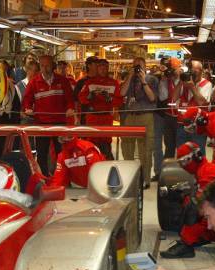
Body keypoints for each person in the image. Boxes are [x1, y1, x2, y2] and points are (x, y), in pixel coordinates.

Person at [160, 141, 215, 259]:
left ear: (192, 159)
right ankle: (196, 238)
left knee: (193, 207)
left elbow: (200, 208)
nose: (183, 167)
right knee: (193, 202)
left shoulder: (207, 172)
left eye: (183, 162)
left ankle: (186, 244)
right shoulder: (208, 168)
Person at [22, 55, 75, 176]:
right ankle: (43, 178)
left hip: (60, 123)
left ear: (53, 66)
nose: (45, 68)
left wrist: (70, 108)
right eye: (42, 66)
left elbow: (70, 98)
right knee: (42, 153)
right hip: (42, 124)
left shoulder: (62, 81)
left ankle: (62, 177)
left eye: (47, 65)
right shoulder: (34, 82)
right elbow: (27, 99)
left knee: (61, 152)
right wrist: (28, 108)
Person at [120, 57, 158, 189]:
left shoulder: (152, 79)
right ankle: (130, 178)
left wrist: (143, 81)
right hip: (130, 116)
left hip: (146, 116)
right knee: (127, 148)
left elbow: (152, 98)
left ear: (145, 66)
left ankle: (146, 179)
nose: (137, 69)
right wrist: (130, 76)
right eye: (134, 66)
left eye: (139, 66)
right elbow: (122, 92)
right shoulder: (129, 79)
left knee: (146, 150)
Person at [78, 58, 123, 160]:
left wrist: (110, 98)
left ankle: (107, 166)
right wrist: (90, 96)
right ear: (97, 69)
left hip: (106, 117)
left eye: (105, 67)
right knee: (91, 145)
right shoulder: (89, 82)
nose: (103, 70)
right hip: (92, 117)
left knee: (106, 144)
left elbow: (119, 101)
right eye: (101, 67)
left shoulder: (113, 83)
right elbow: (81, 98)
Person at [155, 57, 185, 178]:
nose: (171, 72)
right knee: (169, 147)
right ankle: (167, 175)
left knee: (181, 147)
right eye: (169, 69)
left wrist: (181, 77)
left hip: (181, 118)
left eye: (173, 69)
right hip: (168, 118)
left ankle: (181, 174)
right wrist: (163, 80)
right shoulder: (166, 80)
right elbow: (163, 97)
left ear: (179, 68)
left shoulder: (184, 79)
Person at [174, 60, 212, 152]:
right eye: (191, 70)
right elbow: (174, 98)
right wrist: (180, 81)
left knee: (198, 154)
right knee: (182, 154)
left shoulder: (207, 84)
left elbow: (202, 103)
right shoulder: (184, 83)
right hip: (182, 124)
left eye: (195, 70)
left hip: (198, 126)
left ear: (201, 71)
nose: (193, 73)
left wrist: (192, 87)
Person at [73, 56, 99, 125]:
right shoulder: (81, 82)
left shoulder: (102, 81)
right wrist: (76, 117)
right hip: (86, 117)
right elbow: (75, 100)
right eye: (95, 64)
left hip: (101, 117)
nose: (98, 65)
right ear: (89, 65)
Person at [14, 61, 39, 126]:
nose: (34, 73)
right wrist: (22, 114)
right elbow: (16, 107)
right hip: (25, 122)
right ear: (27, 70)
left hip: (38, 121)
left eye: (36, 71)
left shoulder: (39, 85)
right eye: (32, 70)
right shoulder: (18, 86)